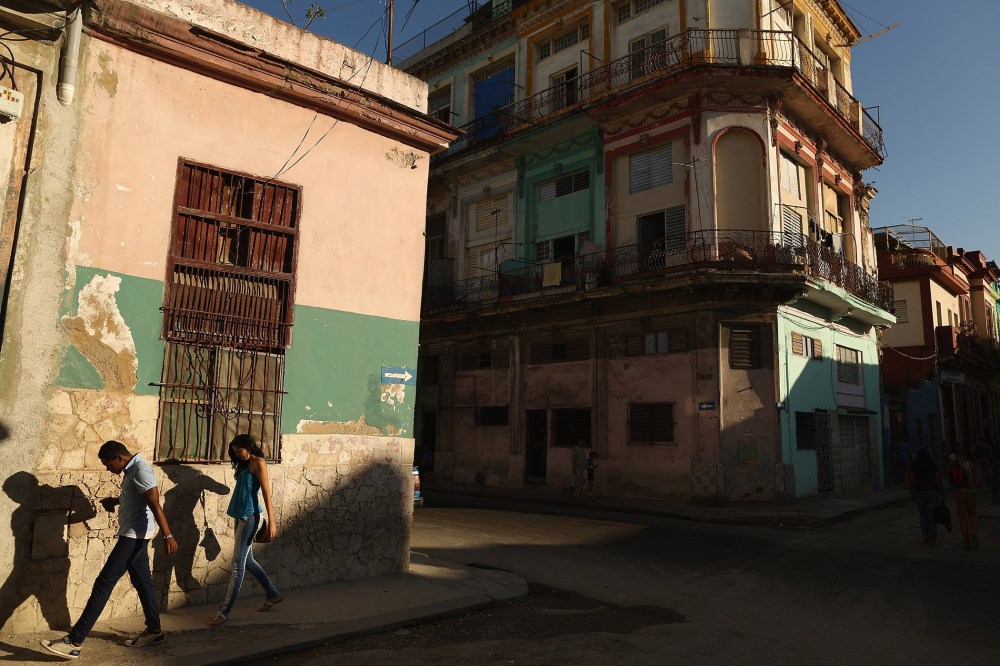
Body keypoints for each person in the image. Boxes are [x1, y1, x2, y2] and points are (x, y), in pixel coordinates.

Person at [41, 441, 178, 659]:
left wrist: (168, 535)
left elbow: (154, 504)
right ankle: (154, 631)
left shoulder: (141, 471)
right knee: (143, 583)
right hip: (136, 535)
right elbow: (137, 496)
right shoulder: (132, 469)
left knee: (103, 584)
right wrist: (116, 500)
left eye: (108, 464)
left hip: (133, 537)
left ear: (119, 458)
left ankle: (74, 641)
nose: (107, 468)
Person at [210, 434, 282, 626]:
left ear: (248, 447)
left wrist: (272, 522)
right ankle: (272, 594)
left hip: (251, 517)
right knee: (247, 560)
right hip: (239, 516)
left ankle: (224, 611)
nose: (238, 455)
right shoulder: (244, 464)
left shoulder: (259, 463)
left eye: (240, 451)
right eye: (235, 452)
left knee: (237, 564)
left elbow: (266, 492)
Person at [906, 449, 944, 546]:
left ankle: (925, 536)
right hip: (933, 492)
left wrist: (912, 493)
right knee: (931, 515)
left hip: (920, 492)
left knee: (922, 514)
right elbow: (938, 480)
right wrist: (942, 494)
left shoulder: (914, 467)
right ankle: (933, 538)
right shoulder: (932, 466)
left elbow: (911, 481)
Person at [947, 447, 982, 551]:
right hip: (970, 493)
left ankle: (966, 542)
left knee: (962, 518)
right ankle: (974, 534)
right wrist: (968, 488)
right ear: (965, 455)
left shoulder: (952, 465)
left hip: (958, 493)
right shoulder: (970, 465)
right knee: (973, 516)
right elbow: (978, 479)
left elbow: (950, 479)